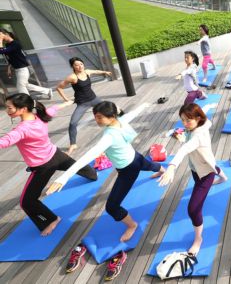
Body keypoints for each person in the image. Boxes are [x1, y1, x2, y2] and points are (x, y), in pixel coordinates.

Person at [47, 101, 165, 242]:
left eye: (100, 117)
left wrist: (63, 177)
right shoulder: (120, 121)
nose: (97, 120)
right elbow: (133, 114)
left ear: (112, 116)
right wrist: (144, 105)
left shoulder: (109, 137)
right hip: (136, 157)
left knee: (111, 207)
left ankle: (132, 225)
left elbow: (87, 157)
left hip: (128, 170)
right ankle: (162, 170)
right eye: (95, 116)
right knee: (150, 165)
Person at [0, 93, 97, 236]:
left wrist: (66, 103)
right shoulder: (39, 116)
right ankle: (93, 174)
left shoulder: (22, 129)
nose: (7, 111)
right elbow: (53, 109)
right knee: (79, 168)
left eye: (10, 108)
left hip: (43, 167)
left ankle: (52, 219)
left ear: (23, 109)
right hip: (56, 155)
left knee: (26, 202)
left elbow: (4, 141)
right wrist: (67, 103)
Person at [158, 103, 227, 255]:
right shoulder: (201, 124)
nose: (184, 123)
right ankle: (223, 176)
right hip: (200, 165)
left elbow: (184, 150)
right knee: (211, 164)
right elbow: (207, 119)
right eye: (182, 120)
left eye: (188, 120)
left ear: (197, 118)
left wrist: (171, 167)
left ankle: (198, 239)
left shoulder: (198, 136)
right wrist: (208, 106)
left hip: (205, 173)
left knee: (193, 209)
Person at [56, 57, 112, 155]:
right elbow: (59, 87)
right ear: (72, 66)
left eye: (81, 64)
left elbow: (96, 71)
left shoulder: (87, 72)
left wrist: (105, 72)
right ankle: (73, 144)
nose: (79, 66)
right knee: (73, 123)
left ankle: (116, 126)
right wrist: (66, 99)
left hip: (94, 99)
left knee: (109, 110)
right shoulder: (72, 77)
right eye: (76, 65)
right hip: (82, 103)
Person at [0, 28, 52, 98]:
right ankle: (47, 91)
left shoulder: (16, 44)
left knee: (20, 86)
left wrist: (0, 40)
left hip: (23, 68)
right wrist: (9, 67)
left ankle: (27, 102)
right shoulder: (8, 45)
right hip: (17, 69)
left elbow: (2, 51)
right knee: (25, 85)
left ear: (6, 34)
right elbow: (9, 57)